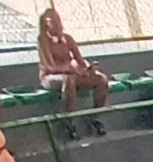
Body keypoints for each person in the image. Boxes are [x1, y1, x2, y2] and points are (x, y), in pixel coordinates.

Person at [36, 9, 112, 137]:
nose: (58, 25)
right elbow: (50, 66)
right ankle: (68, 121)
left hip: (71, 74)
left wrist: (88, 67)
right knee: (69, 80)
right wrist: (70, 69)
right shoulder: (42, 40)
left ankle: (95, 118)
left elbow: (80, 60)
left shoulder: (68, 38)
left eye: (59, 20)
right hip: (50, 77)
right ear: (46, 25)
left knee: (101, 79)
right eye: (53, 22)